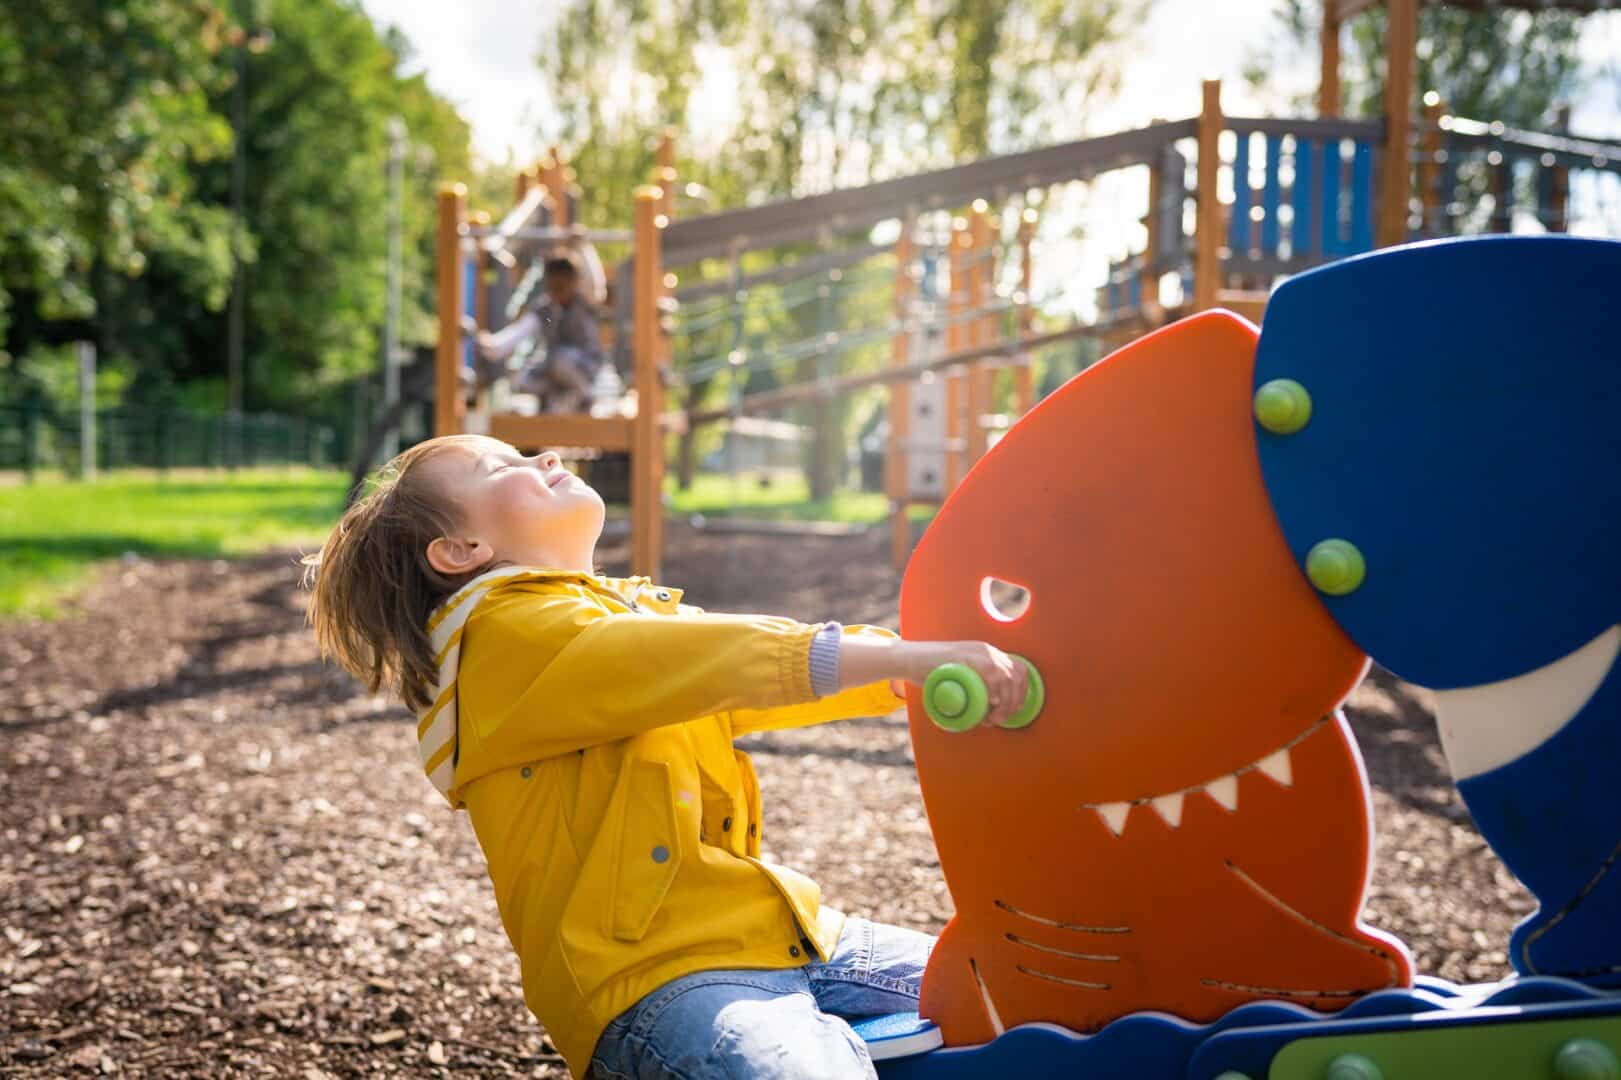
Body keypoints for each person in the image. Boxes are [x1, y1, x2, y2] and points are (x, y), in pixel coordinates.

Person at [303, 435, 1029, 1079]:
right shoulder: (503, 642)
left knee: (1033, 993)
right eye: (503, 467)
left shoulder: (623, 612)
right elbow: (723, 658)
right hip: (655, 978)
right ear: (460, 551)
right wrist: (905, 658)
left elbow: (744, 682)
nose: (546, 455)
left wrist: (901, 674)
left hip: (786, 936)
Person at [478, 243, 608, 413]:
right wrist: (493, 345)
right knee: (523, 379)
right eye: (552, 287)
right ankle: (561, 400)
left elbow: (595, 284)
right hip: (557, 370)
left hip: (584, 366)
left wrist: (583, 247)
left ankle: (584, 394)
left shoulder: (584, 302)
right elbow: (519, 331)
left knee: (560, 361)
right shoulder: (545, 309)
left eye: (561, 287)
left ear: (574, 282)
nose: (556, 293)